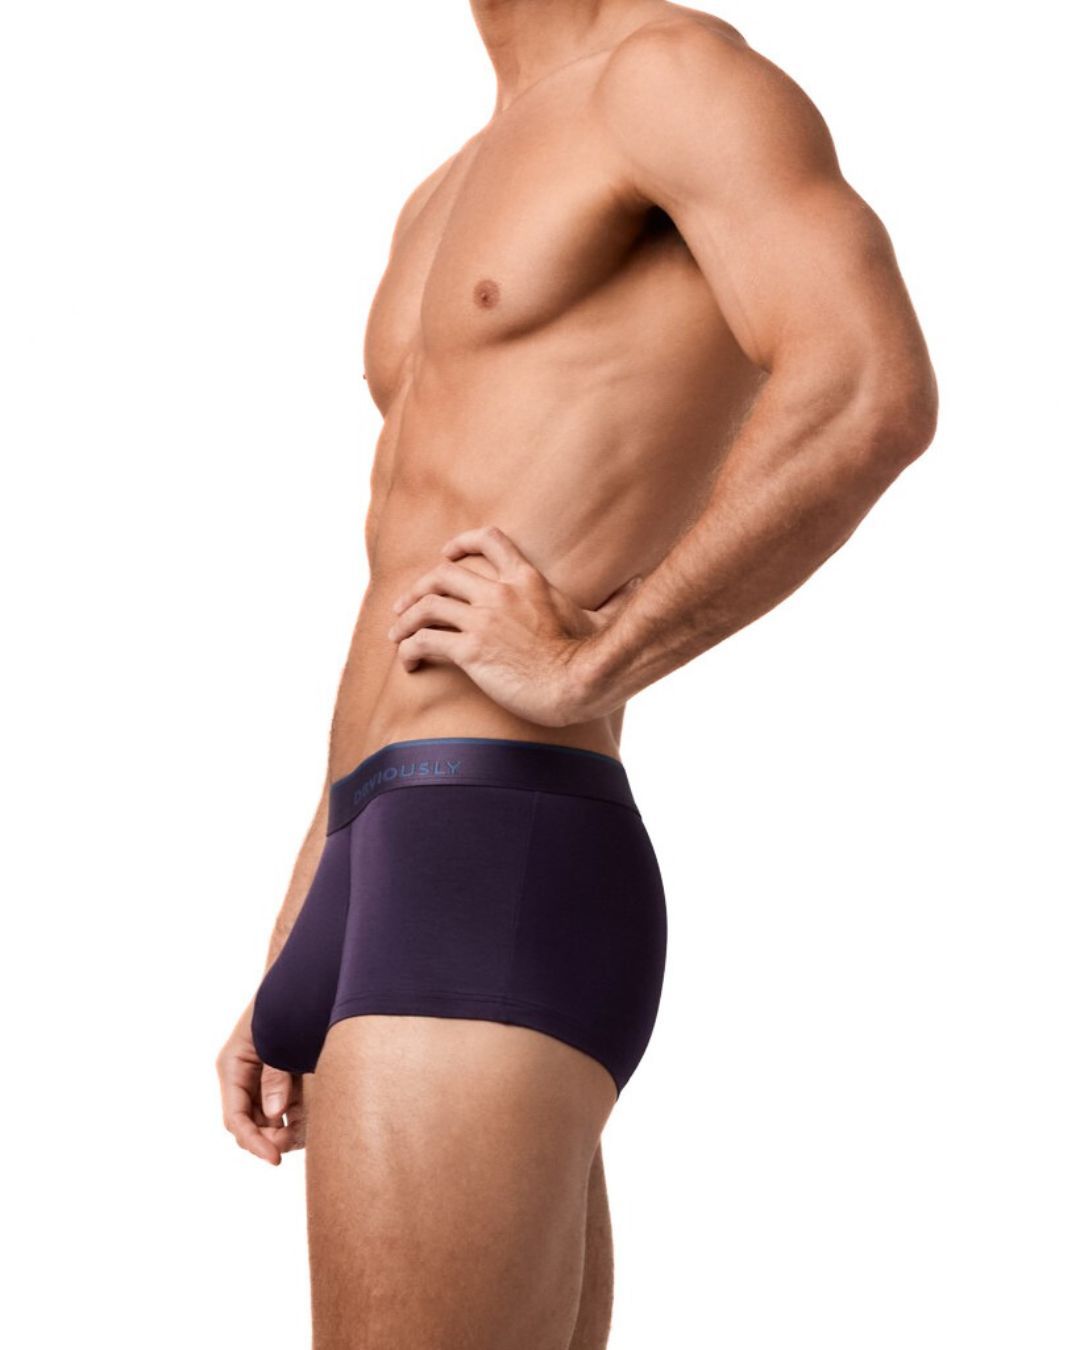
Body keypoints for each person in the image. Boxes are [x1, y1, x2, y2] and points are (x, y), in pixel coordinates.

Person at [216, 1, 937, 1344]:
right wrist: (307, 915)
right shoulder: (444, 187)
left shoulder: (669, 81)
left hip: (490, 846)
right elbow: (406, 567)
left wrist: (587, 659)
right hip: (382, 850)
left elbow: (867, 389)